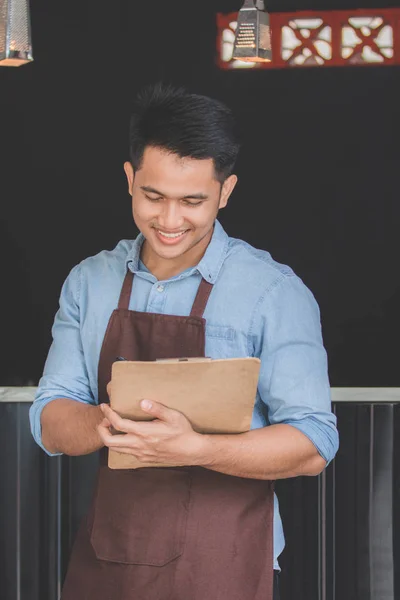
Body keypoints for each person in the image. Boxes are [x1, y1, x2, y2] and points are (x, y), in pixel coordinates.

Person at [30, 83, 339, 600]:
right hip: (111, 559)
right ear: (129, 179)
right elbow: (48, 419)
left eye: (193, 201)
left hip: (226, 563)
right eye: (153, 196)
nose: (170, 221)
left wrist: (194, 448)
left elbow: (313, 443)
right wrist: (110, 422)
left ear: (226, 191)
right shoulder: (89, 282)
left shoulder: (272, 292)